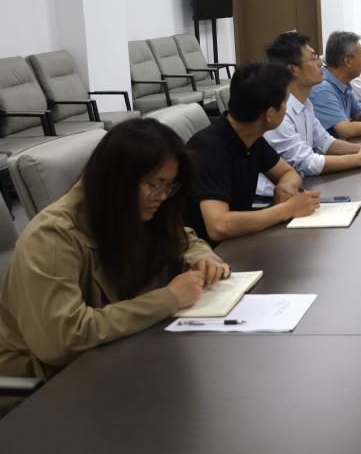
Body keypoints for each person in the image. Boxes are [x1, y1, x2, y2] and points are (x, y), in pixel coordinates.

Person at [0, 118, 231, 415]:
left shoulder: (132, 207)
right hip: (43, 392)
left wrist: (203, 258)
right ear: (116, 179)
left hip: (114, 360)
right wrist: (169, 298)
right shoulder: (52, 237)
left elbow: (182, 237)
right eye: (153, 184)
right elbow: (63, 338)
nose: (162, 196)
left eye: (169, 186)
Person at [185, 62, 320, 244]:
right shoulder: (210, 148)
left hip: (237, 243)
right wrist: (287, 209)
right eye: (285, 102)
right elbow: (219, 226)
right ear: (269, 114)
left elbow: (287, 173)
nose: (286, 108)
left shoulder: (250, 136)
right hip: (205, 253)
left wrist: (285, 186)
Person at [256, 32, 361, 197]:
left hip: (302, 187)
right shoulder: (278, 112)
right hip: (268, 198)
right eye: (314, 58)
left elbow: (325, 142)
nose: (320, 63)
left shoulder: (305, 103)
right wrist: (360, 158)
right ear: (293, 69)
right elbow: (307, 162)